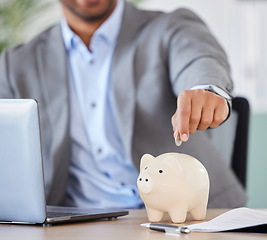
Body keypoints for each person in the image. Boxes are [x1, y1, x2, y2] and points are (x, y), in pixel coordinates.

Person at [0, 0, 246, 208]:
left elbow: (199, 58)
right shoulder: (15, 66)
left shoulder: (170, 26)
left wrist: (205, 88)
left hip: (185, 218)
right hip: (75, 225)